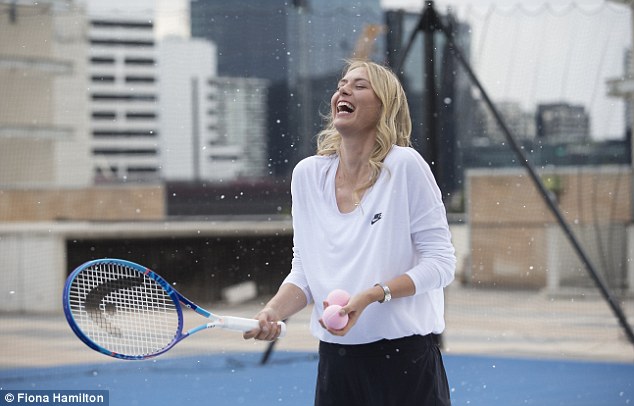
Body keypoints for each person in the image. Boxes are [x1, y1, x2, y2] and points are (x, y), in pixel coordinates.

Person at [244, 59, 455, 406]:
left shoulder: (405, 166)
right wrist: (272, 312)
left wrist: (374, 294)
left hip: (406, 362)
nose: (344, 89)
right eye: (342, 84)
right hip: (336, 364)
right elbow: (305, 272)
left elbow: (442, 264)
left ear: (384, 107)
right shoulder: (307, 175)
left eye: (359, 85)